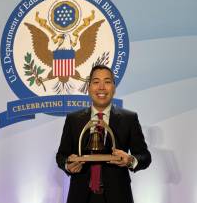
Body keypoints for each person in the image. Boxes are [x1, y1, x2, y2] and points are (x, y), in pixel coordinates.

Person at [56, 65, 151, 203]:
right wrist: (68, 164)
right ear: (88, 87)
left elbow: (145, 156)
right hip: (81, 196)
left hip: (118, 196)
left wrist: (129, 160)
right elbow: (61, 155)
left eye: (107, 82)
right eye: (96, 82)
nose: (101, 87)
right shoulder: (73, 119)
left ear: (114, 87)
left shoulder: (129, 118)